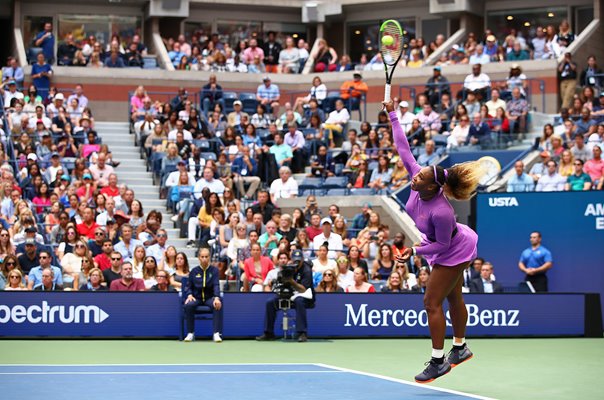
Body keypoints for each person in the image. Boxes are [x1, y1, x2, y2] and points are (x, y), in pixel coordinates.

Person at [385, 99, 484, 383]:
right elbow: (403, 146)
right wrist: (393, 114)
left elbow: (441, 246)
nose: (413, 178)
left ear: (432, 187)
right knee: (452, 295)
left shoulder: (442, 212)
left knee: (431, 301)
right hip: (444, 243)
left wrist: (414, 250)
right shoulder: (418, 177)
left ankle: (439, 361)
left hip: (454, 248)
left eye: (420, 179)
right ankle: (460, 348)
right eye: (417, 174)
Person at [256, 249, 314, 342]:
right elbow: (281, 283)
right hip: (289, 294)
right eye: (295, 260)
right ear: (291, 259)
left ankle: (302, 333)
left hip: (305, 297)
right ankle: (268, 333)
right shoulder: (288, 268)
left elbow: (303, 289)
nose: (297, 262)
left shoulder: (307, 270)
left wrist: (291, 281)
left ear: (303, 259)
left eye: (299, 260)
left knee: (299, 301)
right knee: (270, 302)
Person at [183, 248, 224, 342]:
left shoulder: (214, 271)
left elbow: (216, 285)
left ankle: (216, 333)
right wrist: (189, 295)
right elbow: (188, 286)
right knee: (188, 305)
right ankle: (190, 333)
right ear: (199, 258)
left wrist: (217, 298)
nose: (204, 259)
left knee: (217, 305)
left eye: (206, 256)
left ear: (209, 257)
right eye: (202, 257)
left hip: (209, 298)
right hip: (196, 298)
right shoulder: (194, 271)